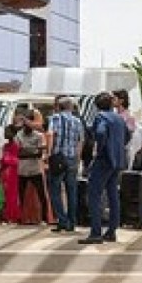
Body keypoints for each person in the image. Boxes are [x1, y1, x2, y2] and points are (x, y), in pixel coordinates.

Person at [81, 92, 128, 245]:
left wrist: (101, 149)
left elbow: (101, 133)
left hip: (104, 160)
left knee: (94, 194)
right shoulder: (119, 118)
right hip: (118, 160)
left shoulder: (101, 117)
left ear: (96, 105)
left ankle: (96, 232)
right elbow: (127, 135)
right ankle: (112, 230)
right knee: (113, 194)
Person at [46, 97, 84, 233]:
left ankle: (62, 220)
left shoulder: (55, 118)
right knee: (71, 190)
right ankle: (72, 222)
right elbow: (80, 141)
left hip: (58, 157)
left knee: (55, 189)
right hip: (72, 157)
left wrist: (48, 154)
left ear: (59, 107)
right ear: (71, 107)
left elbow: (51, 135)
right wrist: (78, 158)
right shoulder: (77, 121)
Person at [15, 109, 48, 225]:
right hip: (22, 169)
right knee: (21, 195)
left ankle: (44, 218)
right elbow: (18, 152)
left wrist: (26, 151)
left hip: (35, 169)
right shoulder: (18, 135)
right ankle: (20, 218)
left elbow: (39, 153)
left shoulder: (38, 135)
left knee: (41, 194)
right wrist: (32, 151)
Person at [0, 111, 23, 223]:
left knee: (12, 194)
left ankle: (12, 215)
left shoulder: (15, 145)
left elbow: (12, 159)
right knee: (8, 194)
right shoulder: (7, 145)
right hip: (8, 171)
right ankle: (10, 214)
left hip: (12, 171)